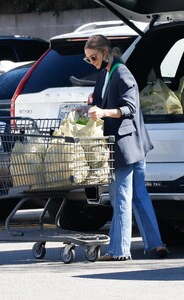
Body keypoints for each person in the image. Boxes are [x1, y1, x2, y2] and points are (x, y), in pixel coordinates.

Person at [82, 35, 169, 261]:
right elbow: (101, 104)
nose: (91, 61)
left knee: (121, 196)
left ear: (106, 52)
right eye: (88, 59)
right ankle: (156, 245)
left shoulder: (121, 72)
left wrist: (103, 113)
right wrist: (90, 110)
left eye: (94, 57)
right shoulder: (105, 74)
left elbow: (129, 108)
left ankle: (119, 251)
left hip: (126, 145)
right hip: (129, 144)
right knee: (139, 194)